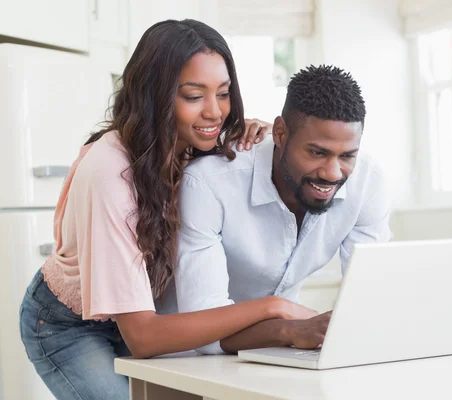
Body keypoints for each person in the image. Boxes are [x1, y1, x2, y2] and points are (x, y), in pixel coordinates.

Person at [19, 19, 316, 400]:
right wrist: (273, 308)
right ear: (153, 95)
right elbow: (142, 337)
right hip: (69, 326)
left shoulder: (194, 141)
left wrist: (259, 144)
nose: (215, 112)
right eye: (194, 96)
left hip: (144, 315)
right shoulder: (111, 170)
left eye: (223, 94)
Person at [167, 65, 392, 354]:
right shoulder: (209, 182)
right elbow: (202, 330)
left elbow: (370, 298)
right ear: (281, 133)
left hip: (281, 351)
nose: (332, 173)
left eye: (347, 155)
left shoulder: (368, 181)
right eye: (317, 152)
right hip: (183, 360)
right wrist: (289, 329)